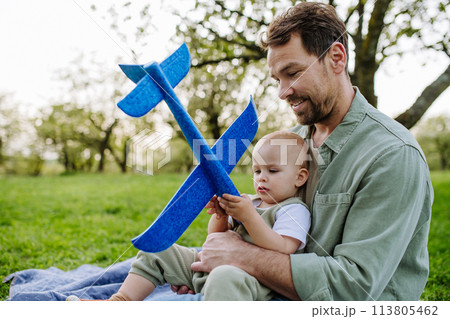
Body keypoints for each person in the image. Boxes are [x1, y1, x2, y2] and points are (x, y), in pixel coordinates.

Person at [178, 2, 433, 301]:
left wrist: (243, 257)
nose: (282, 92)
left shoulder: (392, 156)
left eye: (293, 73)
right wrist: (212, 264)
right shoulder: (292, 142)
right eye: (277, 80)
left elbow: (354, 288)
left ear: (336, 58)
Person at [68, 130, 311, 301]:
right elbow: (216, 238)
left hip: (248, 280)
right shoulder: (249, 201)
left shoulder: (293, 209)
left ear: (299, 177)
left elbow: (284, 249)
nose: (262, 178)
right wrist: (220, 215)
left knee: (225, 277)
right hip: (206, 265)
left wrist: (249, 217)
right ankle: (122, 300)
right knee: (160, 251)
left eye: (273, 170)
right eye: (257, 171)